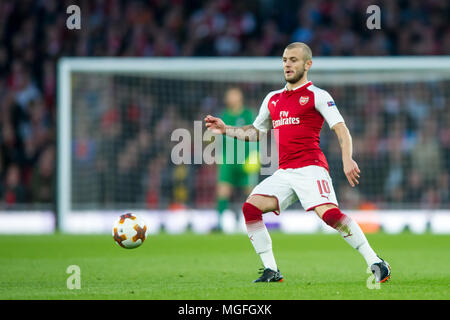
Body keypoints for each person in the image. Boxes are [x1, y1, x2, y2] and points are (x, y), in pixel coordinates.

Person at [204, 42, 390, 283]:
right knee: (250, 207)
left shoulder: (318, 96)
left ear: (307, 64)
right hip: (285, 172)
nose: (288, 64)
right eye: (284, 60)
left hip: (311, 168)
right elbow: (255, 132)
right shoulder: (273, 99)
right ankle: (271, 270)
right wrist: (225, 129)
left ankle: (376, 262)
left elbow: (341, 129)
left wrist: (347, 159)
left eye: (293, 59)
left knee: (331, 216)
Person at [215, 87, 259, 231]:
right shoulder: (224, 115)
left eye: (232, 95)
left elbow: (256, 133)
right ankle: (220, 223)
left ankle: (253, 222)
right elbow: (220, 137)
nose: (229, 98)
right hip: (228, 159)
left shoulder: (248, 114)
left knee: (250, 192)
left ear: (239, 98)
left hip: (245, 159)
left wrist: (255, 154)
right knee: (223, 189)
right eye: (228, 96)